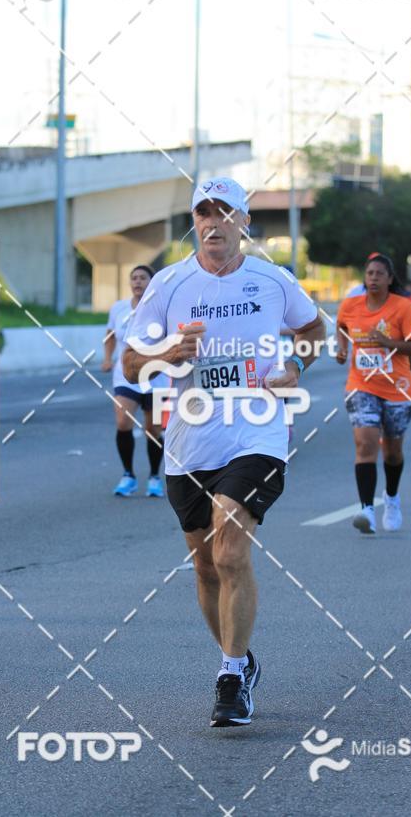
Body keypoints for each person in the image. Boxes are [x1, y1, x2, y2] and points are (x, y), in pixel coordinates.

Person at [124, 176, 325, 727]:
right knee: (206, 567)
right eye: (203, 213)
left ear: (243, 222)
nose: (213, 223)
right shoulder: (168, 285)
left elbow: (313, 328)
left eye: (224, 212)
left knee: (231, 550)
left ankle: (230, 679)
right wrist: (168, 349)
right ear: (195, 222)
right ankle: (239, 657)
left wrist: (294, 367)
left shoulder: (272, 279)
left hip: (257, 432)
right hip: (190, 440)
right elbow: (130, 365)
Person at [336, 253, 411, 534]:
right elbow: (341, 326)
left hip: (398, 388)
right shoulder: (351, 305)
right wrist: (343, 348)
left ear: (389, 279)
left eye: (379, 274)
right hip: (361, 385)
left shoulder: (403, 307)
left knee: (393, 451)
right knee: (365, 443)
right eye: (369, 273)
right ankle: (367, 511)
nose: (373, 278)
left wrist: (387, 342)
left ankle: (392, 498)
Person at [102, 265, 166, 497]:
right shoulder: (119, 308)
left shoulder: (161, 307)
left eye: (143, 278)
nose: (138, 282)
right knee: (122, 422)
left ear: (152, 282)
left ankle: (154, 476)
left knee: (153, 430)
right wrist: (107, 358)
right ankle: (128, 475)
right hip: (126, 375)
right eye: (134, 278)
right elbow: (110, 335)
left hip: (157, 377)